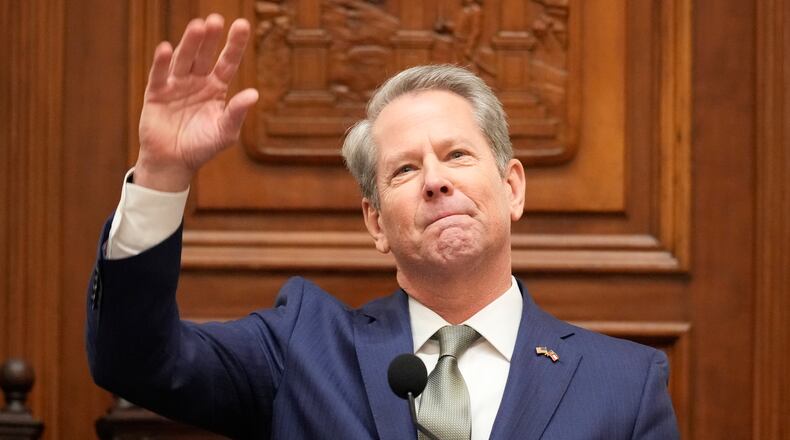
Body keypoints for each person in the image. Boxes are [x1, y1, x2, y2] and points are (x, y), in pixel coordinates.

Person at [86, 14, 679, 440]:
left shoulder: (623, 384)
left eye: (458, 155)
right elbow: (137, 362)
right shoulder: (301, 350)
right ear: (375, 221)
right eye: (403, 170)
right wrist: (163, 174)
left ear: (513, 187)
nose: (435, 180)